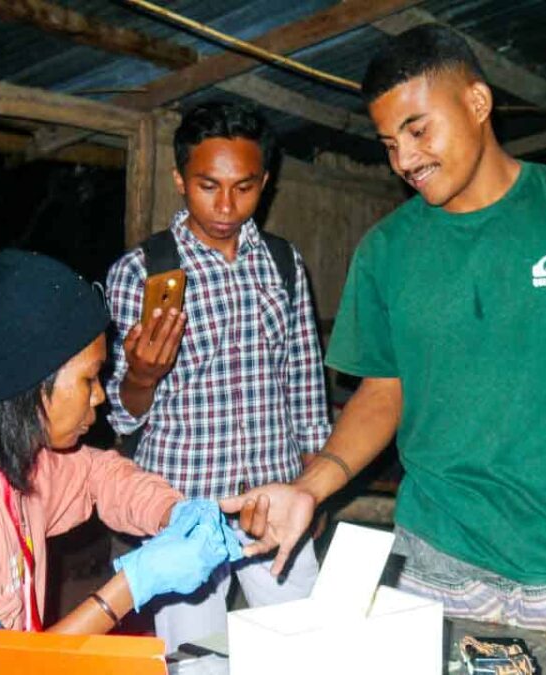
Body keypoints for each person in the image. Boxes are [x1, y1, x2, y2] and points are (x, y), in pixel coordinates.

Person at [222, 24, 546, 643]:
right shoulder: (386, 250)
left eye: (418, 129)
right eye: (388, 143)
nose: (404, 160)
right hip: (432, 561)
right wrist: (310, 487)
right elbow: (383, 393)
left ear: (478, 103)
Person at [0, 249, 242, 674]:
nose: (99, 396)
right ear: (32, 384)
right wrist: (131, 587)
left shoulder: (6, 457)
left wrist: (173, 512)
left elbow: (98, 474)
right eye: (89, 378)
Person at [104, 102, 331, 651]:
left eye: (244, 187)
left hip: (274, 499)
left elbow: (303, 379)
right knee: (196, 660)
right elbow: (120, 410)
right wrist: (142, 374)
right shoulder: (141, 271)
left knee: (306, 650)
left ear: (266, 183)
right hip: (184, 511)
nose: (226, 205)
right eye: (208, 185)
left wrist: (313, 490)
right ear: (180, 179)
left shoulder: (282, 264)